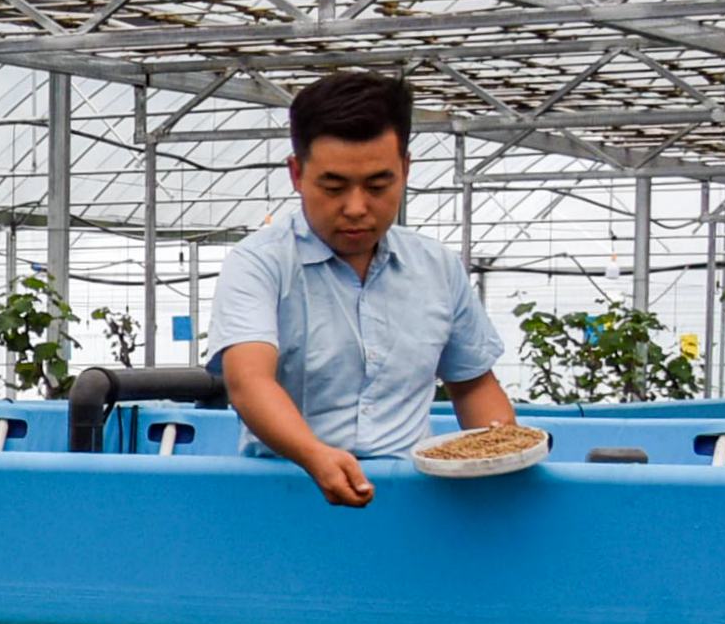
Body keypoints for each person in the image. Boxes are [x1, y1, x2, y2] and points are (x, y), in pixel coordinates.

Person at [208, 68, 518, 507]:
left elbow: (471, 384)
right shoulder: (260, 263)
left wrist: (501, 451)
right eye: (333, 186)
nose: (356, 208)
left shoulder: (437, 268)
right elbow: (249, 381)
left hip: (412, 505)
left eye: (378, 185)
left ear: (405, 169)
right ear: (297, 174)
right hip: (288, 498)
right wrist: (314, 456)